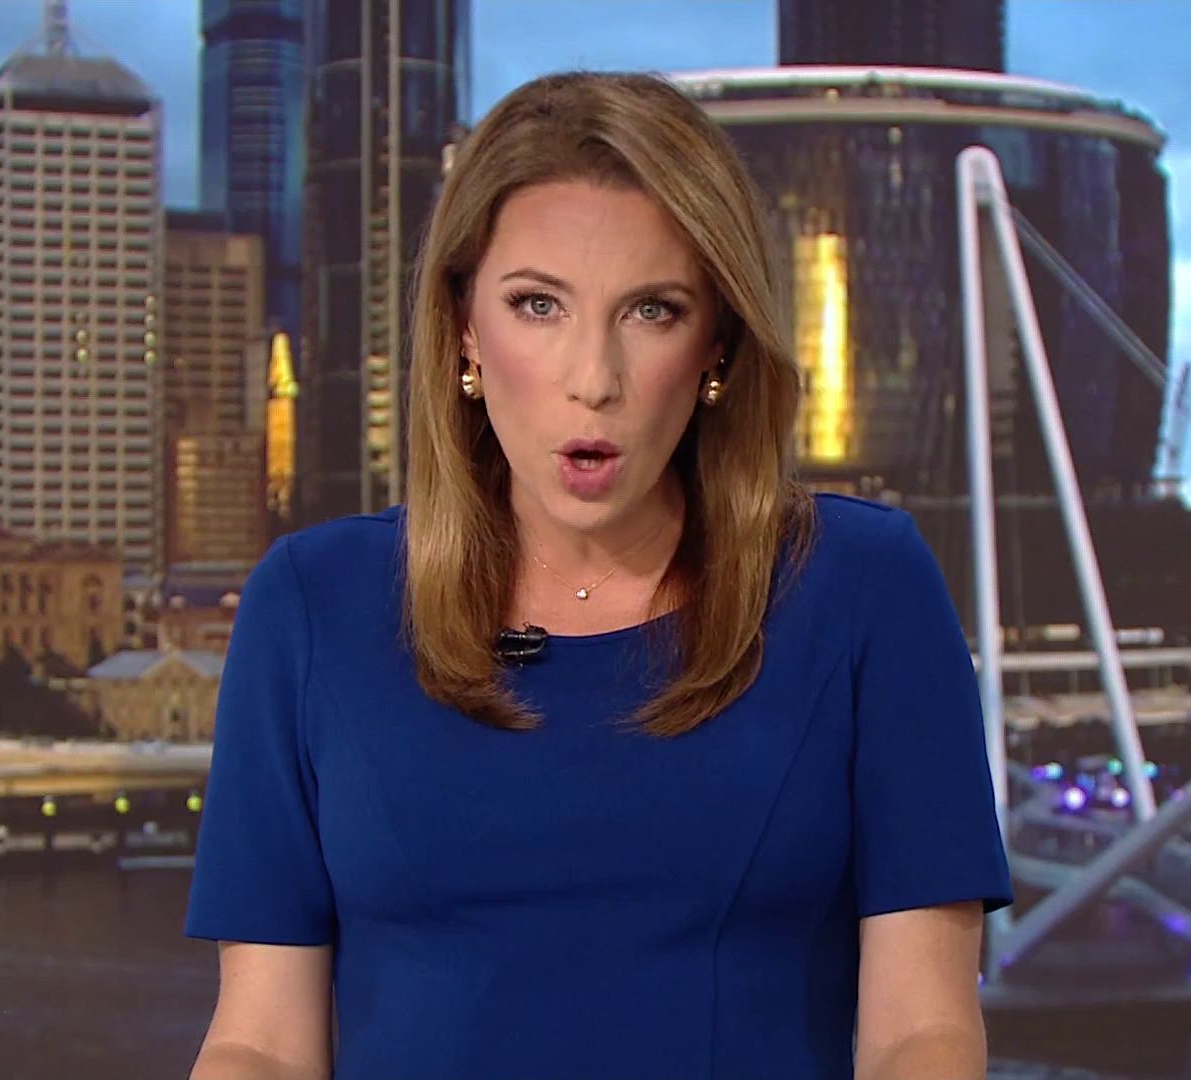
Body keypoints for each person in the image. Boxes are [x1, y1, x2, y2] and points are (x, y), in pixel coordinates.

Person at [184, 70, 1013, 1080]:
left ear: (717, 345)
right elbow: (261, 1042)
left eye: (651, 310)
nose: (594, 379)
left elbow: (922, 1031)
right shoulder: (313, 605)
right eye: (537, 305)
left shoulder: (863, 589)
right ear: (464, 329)